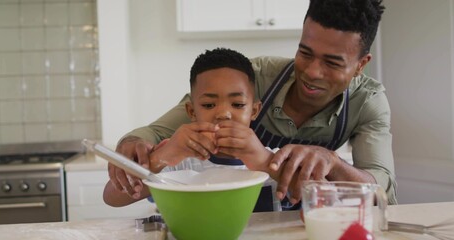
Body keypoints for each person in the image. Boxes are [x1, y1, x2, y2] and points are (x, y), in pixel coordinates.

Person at [108, 0, 397, 207]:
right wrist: (137, 147)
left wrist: (331, 161)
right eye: (305, 53)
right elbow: (154, 133)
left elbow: (379, 190)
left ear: (361, 65)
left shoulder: (368, 102)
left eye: (332, 62)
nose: (311, 72)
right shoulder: (251, 77)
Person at [104, 48, 285, 208]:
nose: (224, 114)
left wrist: (265, 162)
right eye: (208, 105)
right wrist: (160, 158)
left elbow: (309, 188)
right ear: (191, 111)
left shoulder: (273, 159)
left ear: (254, 111)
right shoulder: (181, 163)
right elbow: (111, 197)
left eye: (237, 104)